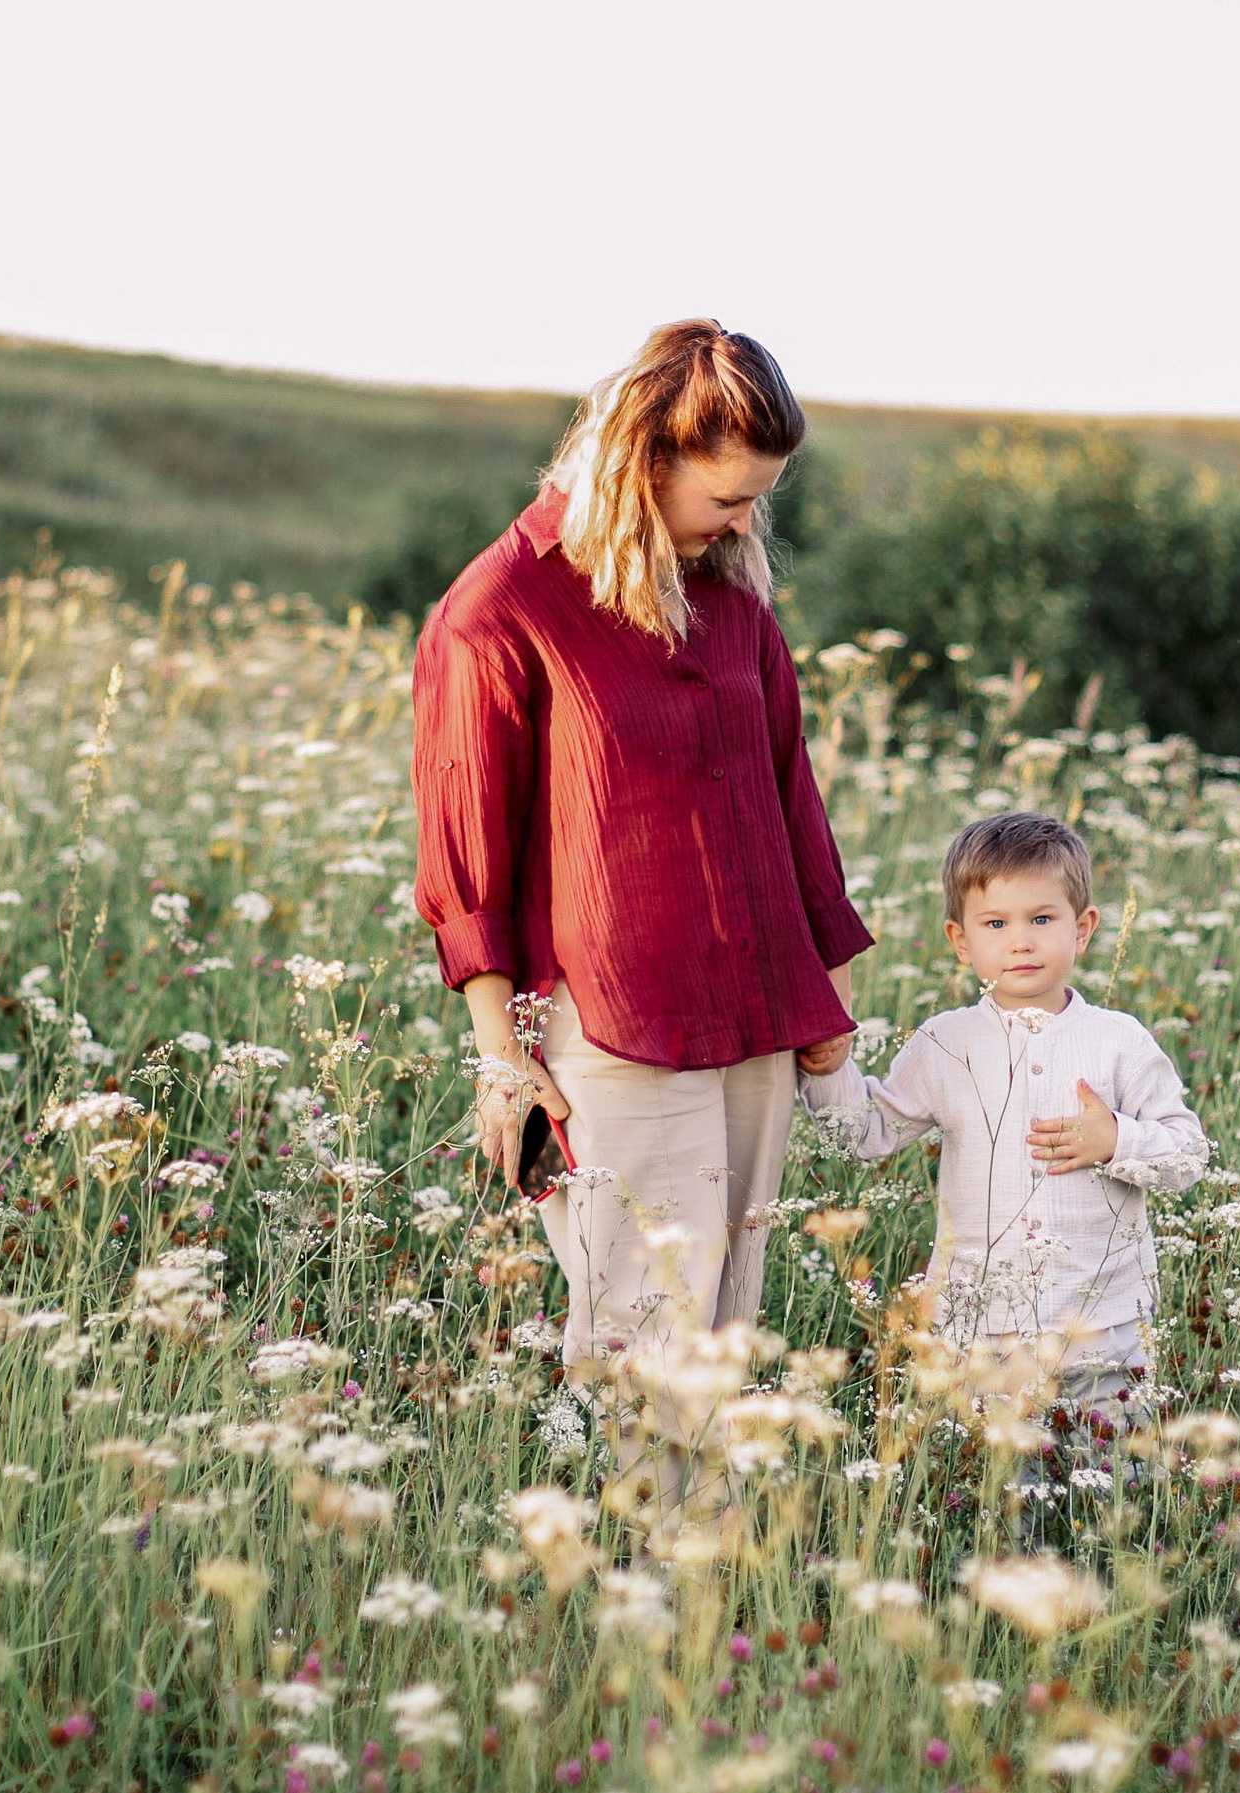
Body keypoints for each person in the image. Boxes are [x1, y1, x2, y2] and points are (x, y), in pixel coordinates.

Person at [408, 319, 872, 1527]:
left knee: (722, 1318)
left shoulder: (729, 611)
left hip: (755, 1010)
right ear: (641, 458)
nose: (741, 524)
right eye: (726, 496)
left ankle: (704, 1576)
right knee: (636, 1319)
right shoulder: (500, 608)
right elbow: (467, 858)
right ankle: (632, 1587)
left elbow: (786, 799)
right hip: (609, 1021)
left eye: (758, 500)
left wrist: (818, 993)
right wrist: (501, 1062)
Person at [796, 810, 1210, 1455]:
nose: (1021, 941)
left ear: (1084, 928)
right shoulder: (947, 1041)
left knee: (1116, 1488)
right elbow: (867, 1133)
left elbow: (1186, 1155)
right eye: (997, 924)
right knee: (1000, 1494)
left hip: (1103, 1323)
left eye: (1042, 920)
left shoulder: (1119, 1041)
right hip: (982, 1327)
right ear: (961, 941)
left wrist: (1116, 1141)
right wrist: (830, 1069)